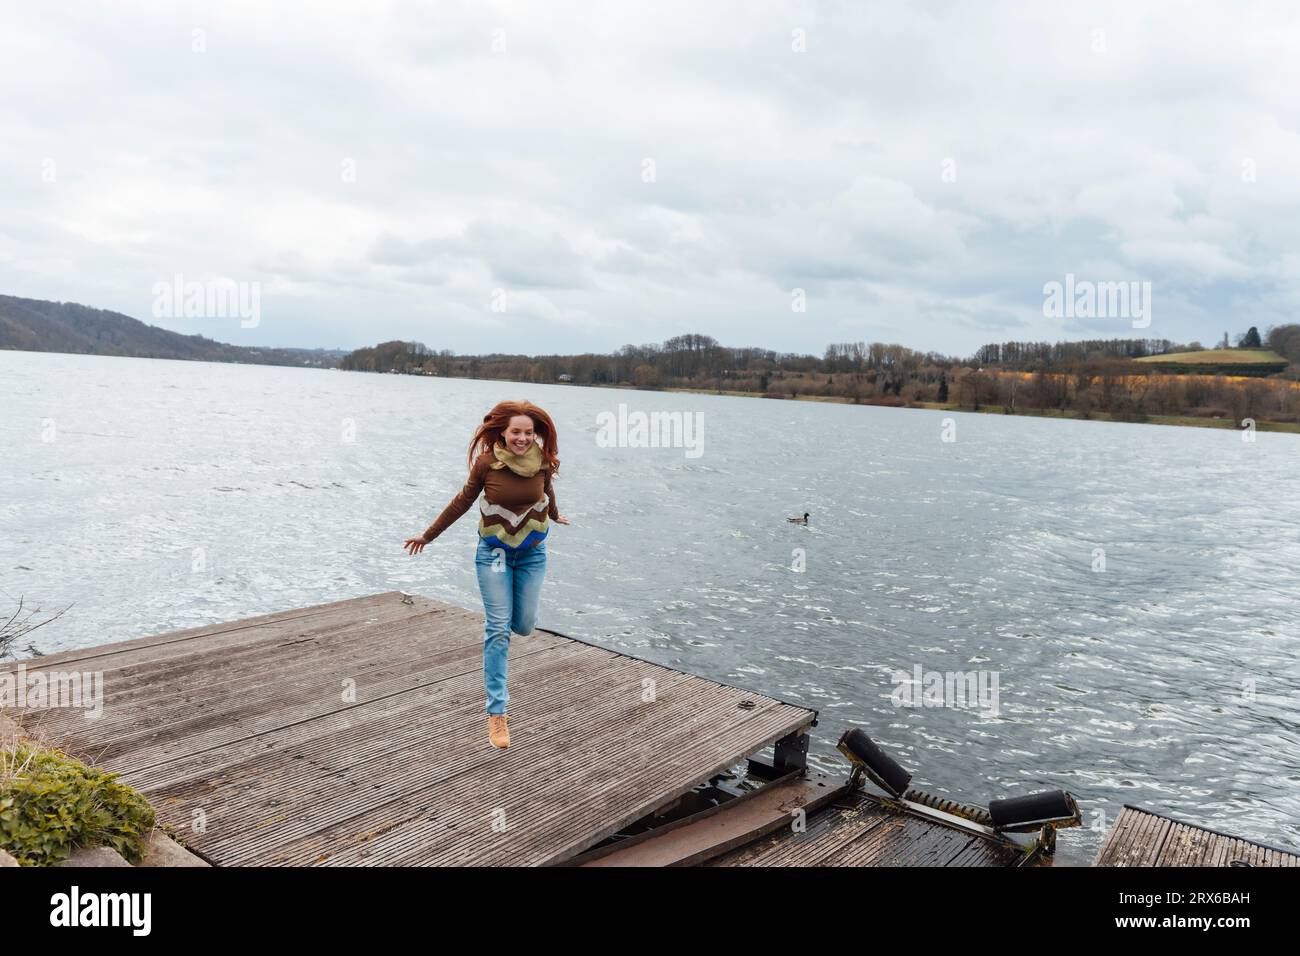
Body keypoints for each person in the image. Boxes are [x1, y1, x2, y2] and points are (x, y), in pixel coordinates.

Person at [404, 400, 569, 749]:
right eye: (515, 432)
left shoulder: (543, 462)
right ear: (503, 433)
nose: (522, 438)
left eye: (528, 432)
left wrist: (554, 514)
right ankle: (497, 714)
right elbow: (463, 501)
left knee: (522, 625)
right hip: (493, 554)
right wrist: (427, 535)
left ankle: (507, 626)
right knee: (497, 629)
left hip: (532, 554)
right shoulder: (487, 464)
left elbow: (546, 491)